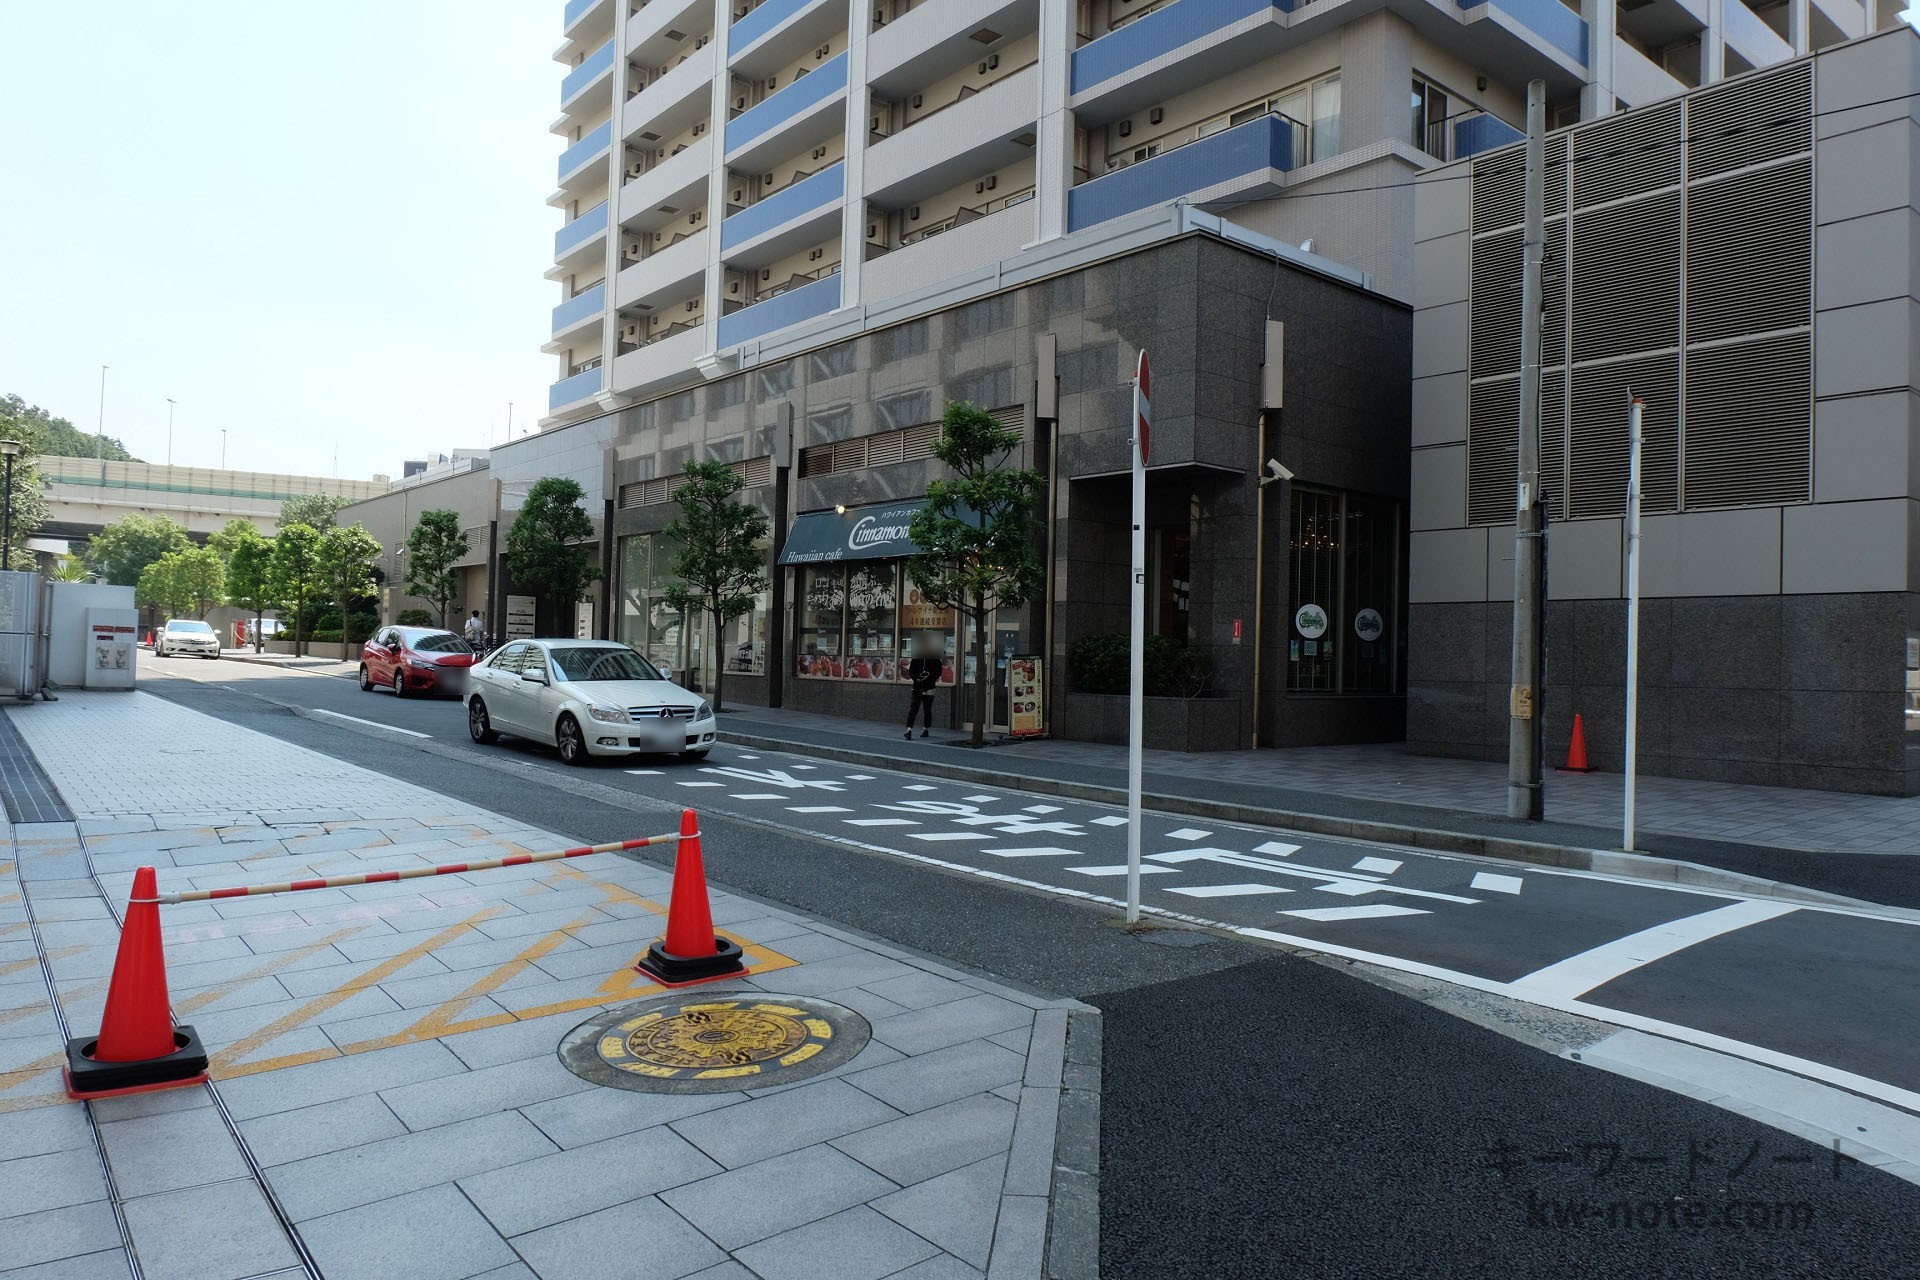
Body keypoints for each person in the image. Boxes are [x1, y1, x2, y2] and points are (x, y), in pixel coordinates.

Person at [904, 638, 940, 739]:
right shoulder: (917, 657)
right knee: (913, 708)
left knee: (927, 709)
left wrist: (928, 677)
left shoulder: (935, 658)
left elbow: (938, 672)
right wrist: (916, 678)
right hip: (917, 686)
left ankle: (925, 728)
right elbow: (911, 671)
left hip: (929, 687)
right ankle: (909, 729)